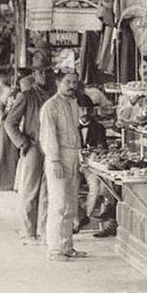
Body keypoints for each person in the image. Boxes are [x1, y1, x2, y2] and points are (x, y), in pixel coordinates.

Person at [4, 50, 56, 242]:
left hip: (51, 147)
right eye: (40, 72)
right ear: (34, 74)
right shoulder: (26, 96)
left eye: (47, 71)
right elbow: (9, 123)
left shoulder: (55, 95)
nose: (44, 75)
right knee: (30, 190)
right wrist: (23, 142)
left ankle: (43, 230)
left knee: (48, 190)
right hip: (34, 146)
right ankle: (28, 231)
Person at [40, 71, 87, 261]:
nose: (71, 85)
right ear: (58, 82)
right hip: (58, 156)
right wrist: (54, 159)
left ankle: (67, 246)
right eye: (67, 82)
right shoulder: (51, 106)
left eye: (74, 82)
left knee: (71, 204)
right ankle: (54, 250)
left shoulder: (73, 104)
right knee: (58, 203)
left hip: (73, 154)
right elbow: (49, 135)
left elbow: (76, 131)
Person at [75, 93, 111, 235]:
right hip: (74, 164)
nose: (85, 113)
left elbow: (104, 148)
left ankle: (87, 216)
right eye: (82, 109)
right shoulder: (71, 126)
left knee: (95, 187)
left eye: (88, 110)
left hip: (91, 166)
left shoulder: (99, 128)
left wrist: (94, 152)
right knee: (70, 188)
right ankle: (78, 217)